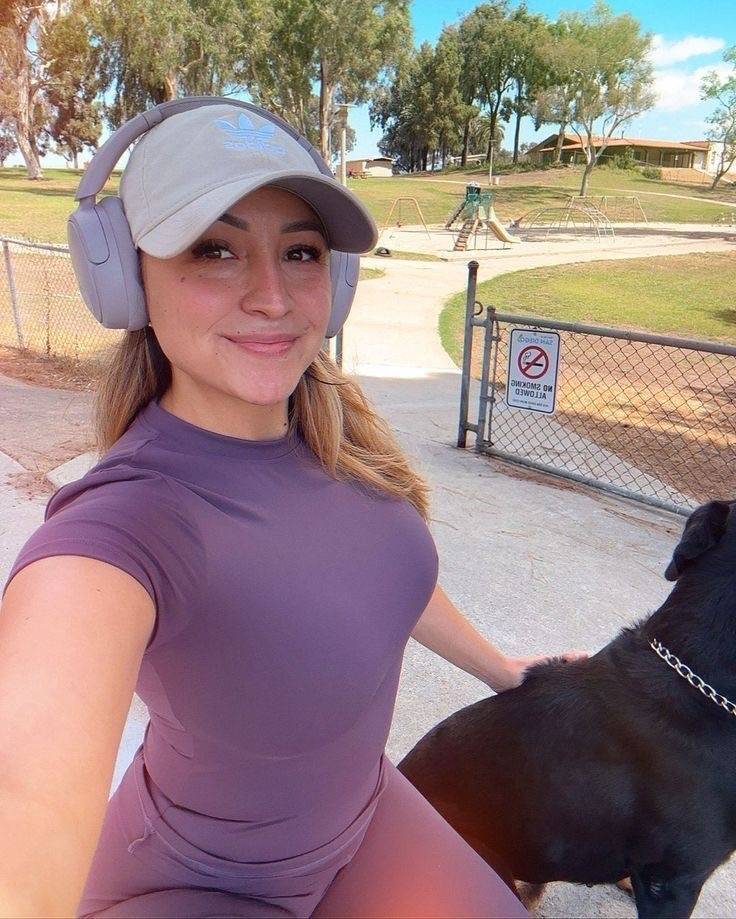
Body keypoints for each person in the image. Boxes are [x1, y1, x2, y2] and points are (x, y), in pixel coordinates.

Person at [0, 98, 582, 918]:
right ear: (125, 278)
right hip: (193, 885)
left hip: (364, 817)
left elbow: (386, 576)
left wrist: (505, 670)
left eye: (300, 251)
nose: (273, 296)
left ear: (334, 283)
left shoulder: (340, 438)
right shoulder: (126, 523)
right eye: (215, 249)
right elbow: (24, 791)